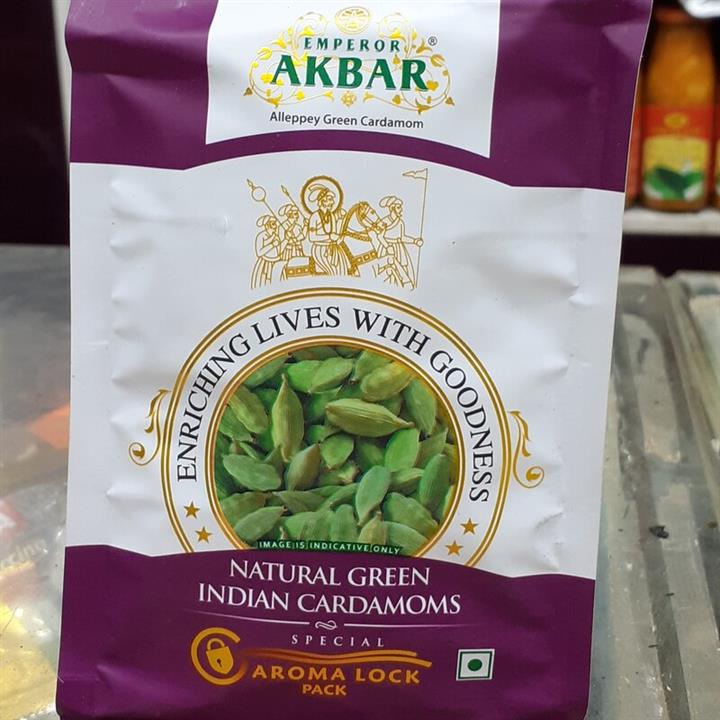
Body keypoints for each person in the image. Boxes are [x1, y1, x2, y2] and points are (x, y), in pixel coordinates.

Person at [376, 195, 423, 286]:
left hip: (399, 249)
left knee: (401, 271)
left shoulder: (400, 222)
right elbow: (380, 237)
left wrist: (415, 241)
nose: (400, 210)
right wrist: (387, 246)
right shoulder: (384, 221)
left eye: (400, 207)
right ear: (392, 208)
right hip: (387, 248)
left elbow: (402, 237)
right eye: (398, 207)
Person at [306, 184, 349, 275]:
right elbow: (312, 237)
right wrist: (329, 236)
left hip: (333, 247)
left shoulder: (331, 215)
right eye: (330, 199)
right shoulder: (315, 216)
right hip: (320, 249)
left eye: (332, 199)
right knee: (334, 272)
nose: (332, 202)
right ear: (322, 200)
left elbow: (333, 234)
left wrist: (338, 237)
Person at [250, 215, 282, 288]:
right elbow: (259, 252)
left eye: (275, 223)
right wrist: (272, 245)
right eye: (273, 223)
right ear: (267, 225)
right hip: (265, 263)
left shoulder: (276, 236)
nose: (276, 225)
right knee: (264, 282)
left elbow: (279, 251)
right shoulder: (261, 236)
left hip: (276, 262)